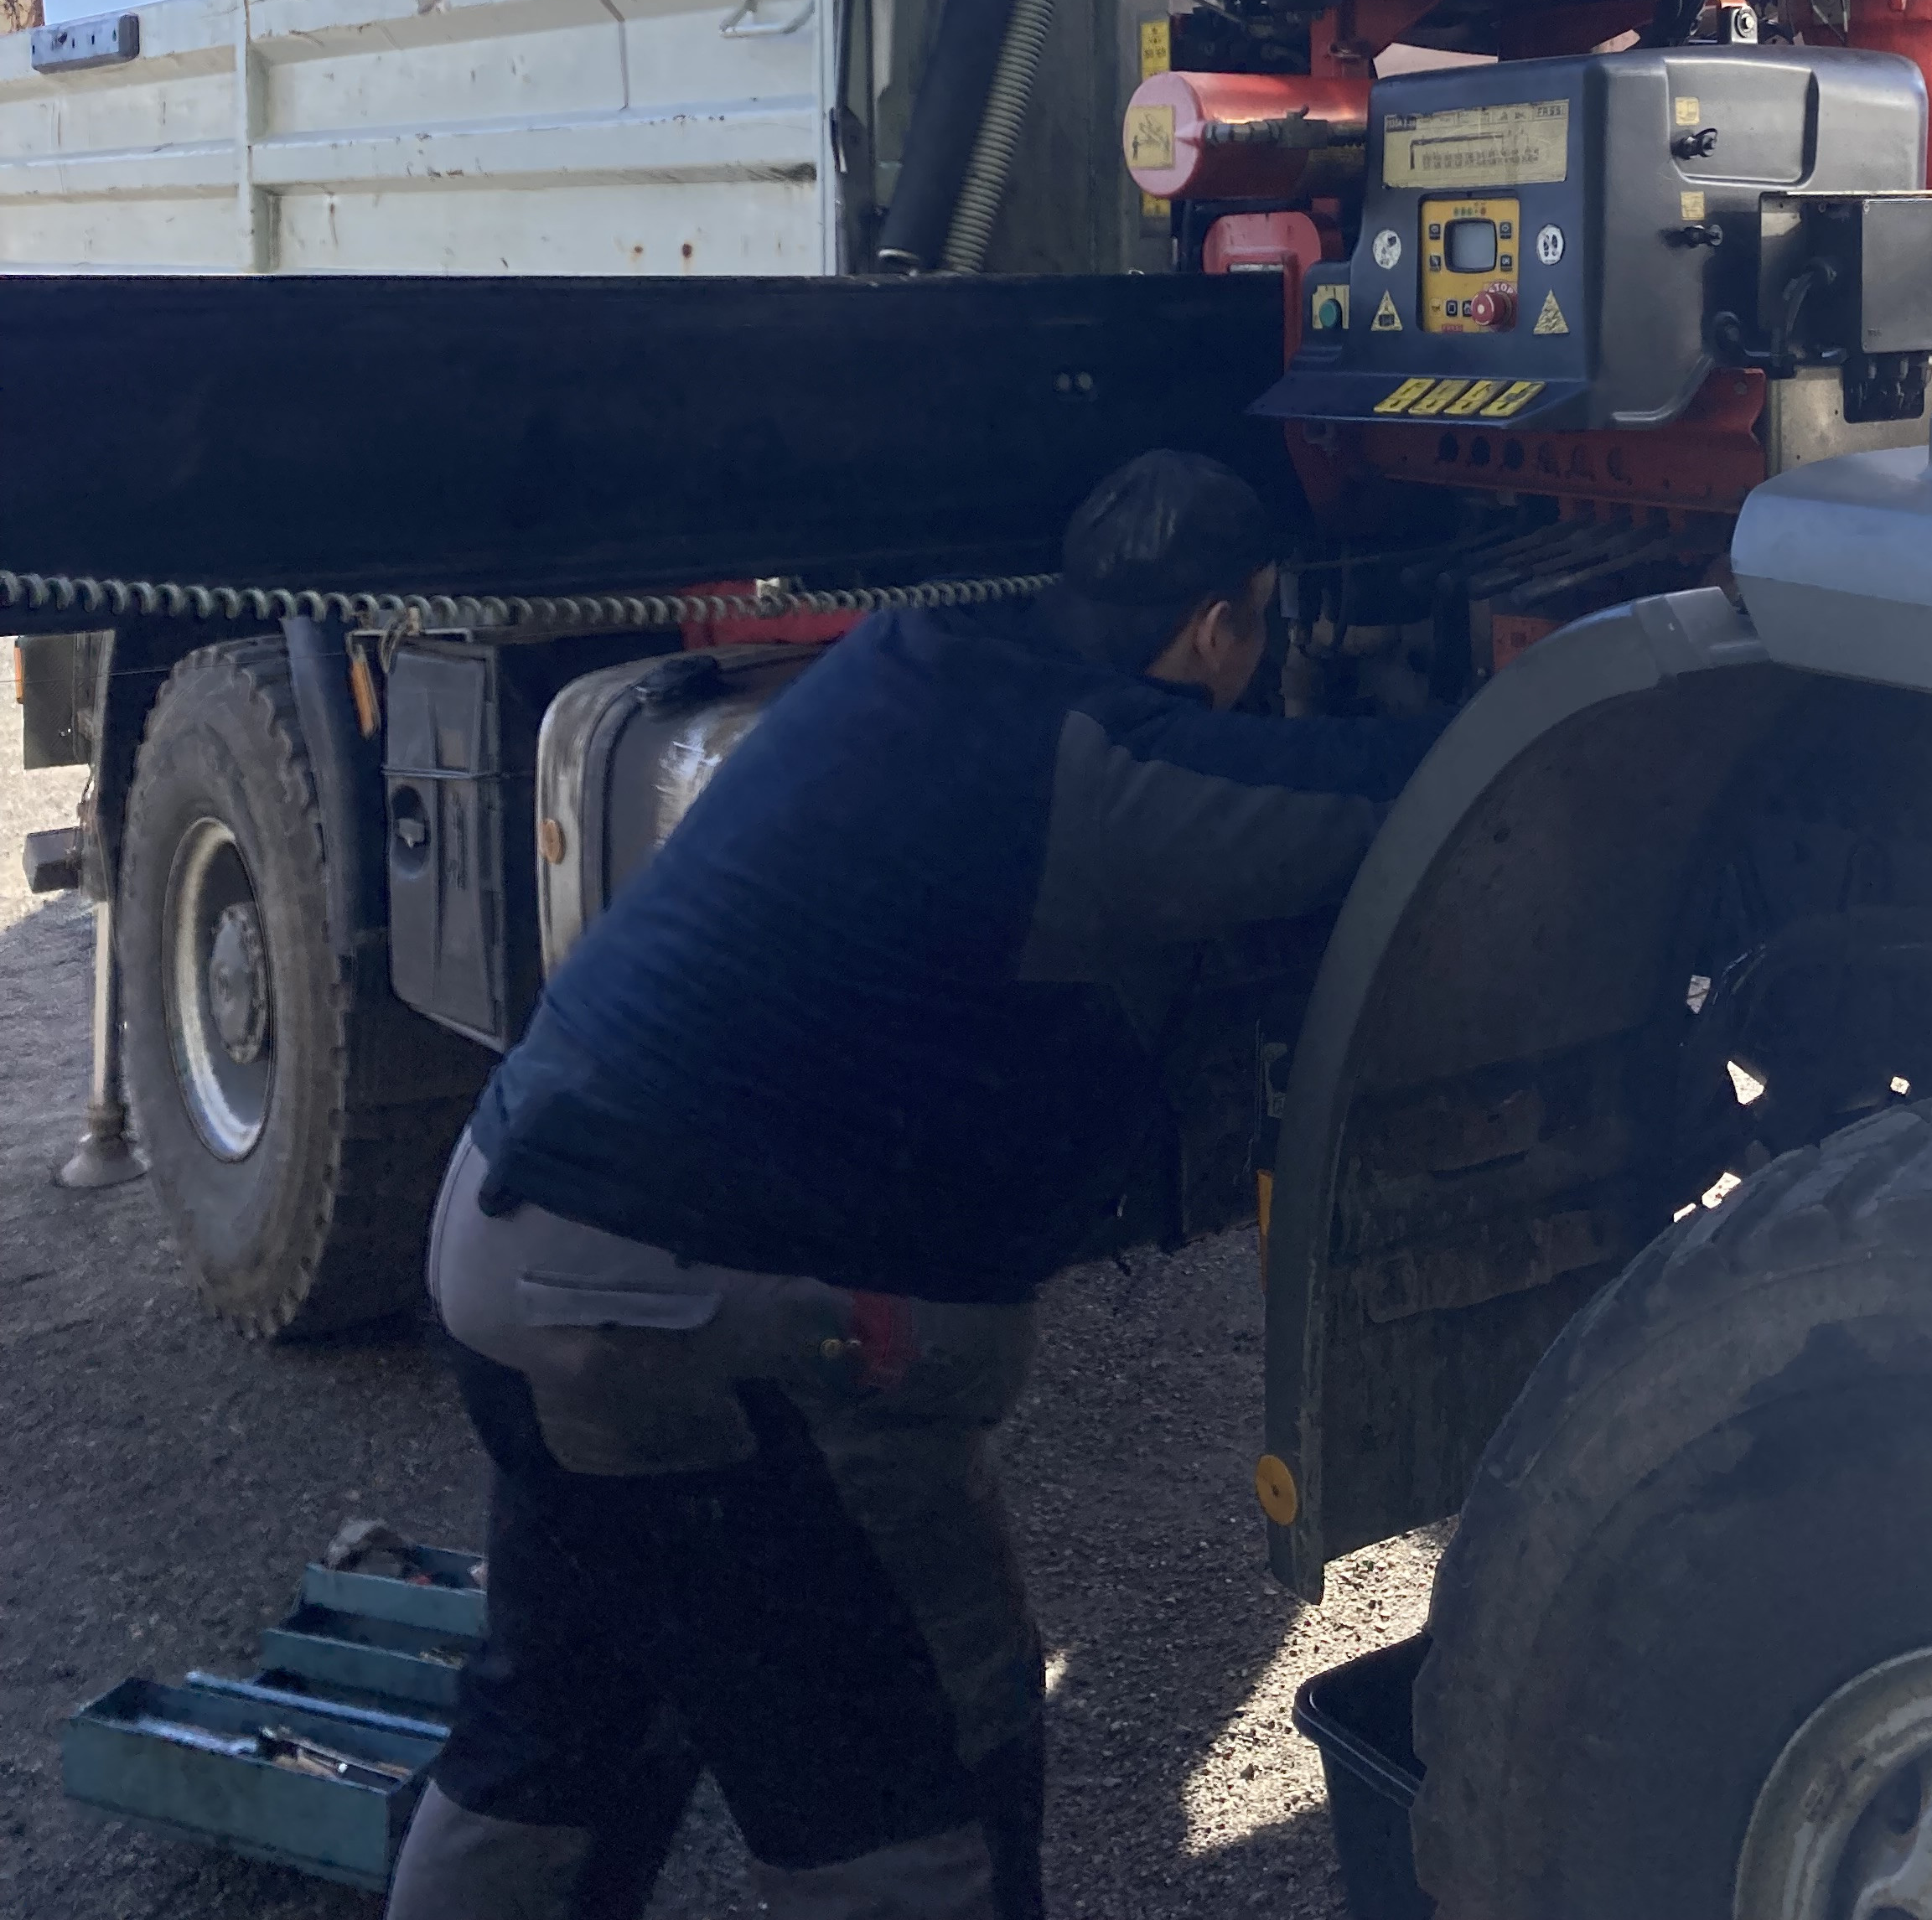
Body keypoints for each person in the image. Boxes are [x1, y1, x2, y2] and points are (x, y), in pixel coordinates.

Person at [386, 449, 1445, 1920]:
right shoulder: (1107, 775)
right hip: (708, 1326)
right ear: (1220, 626)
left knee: (566, 1727)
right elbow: (1407, 796)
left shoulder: (920, 653)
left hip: (514, 1250)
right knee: (908, 1779)